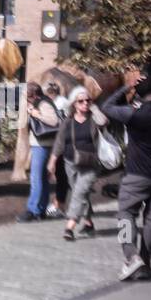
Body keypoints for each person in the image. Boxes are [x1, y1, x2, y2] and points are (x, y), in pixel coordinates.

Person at [100, 74, 151, 280]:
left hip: (137, 175)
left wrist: (126, 88)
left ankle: (131, 257)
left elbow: (106, 107)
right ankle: (146, 263)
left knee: (126, 214)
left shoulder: (133, 114)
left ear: (139, 95)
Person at [48, 85, 106, 242]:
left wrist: (94, 107)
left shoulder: (94, 119)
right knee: (80, 193)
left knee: (79, 193)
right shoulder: (67, 122)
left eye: (88, 100)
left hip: (91, 163)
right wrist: (52, 161)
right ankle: (88, 223)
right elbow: (59, 142)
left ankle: (69, 227)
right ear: (74, 103)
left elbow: (103, 121)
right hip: (70, 162)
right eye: (81, 101)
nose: (85, 103)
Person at [14, 82, 63, 222]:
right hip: (42, 145)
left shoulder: (43, 104)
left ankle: (33, 210)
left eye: (25, 95)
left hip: (42, 146)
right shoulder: (40, 102)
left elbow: (54, 121)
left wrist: (36, 114)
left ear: (33, 95)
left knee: (36, 179)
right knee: (42, 179)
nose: (24, 98)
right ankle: (40, 210)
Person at [44, 81, 71, 218]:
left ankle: (59, 205)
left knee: (61, 176)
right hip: (62, 142)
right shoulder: (64, 102)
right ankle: (59, 203)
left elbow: (59, 124)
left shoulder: (58, 104)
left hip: (61, 143)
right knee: (61, 176)